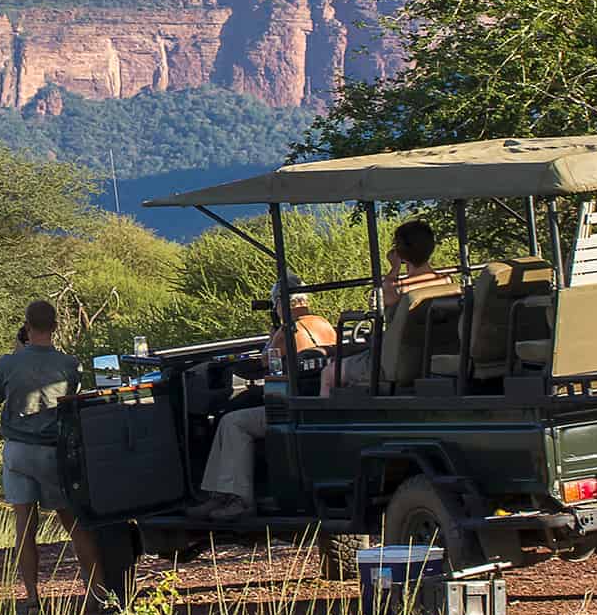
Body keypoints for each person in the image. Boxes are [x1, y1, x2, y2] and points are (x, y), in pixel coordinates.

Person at [185, 281, 336, 521]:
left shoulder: (289, 330)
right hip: (315, 402)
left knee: (232, 421)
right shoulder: (324, 324)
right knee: (233, 420)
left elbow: (264, 363)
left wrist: (271, 337)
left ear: (280, 303)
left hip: (292, 409)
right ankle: (220, 494)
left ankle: (238, 499)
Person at [0, 300, 103, 612]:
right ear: (55, 327)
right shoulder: (69, 364)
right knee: (74, 523)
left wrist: (17, 350)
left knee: (24, 526)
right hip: (53, 452)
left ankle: (32, 598)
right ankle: (95, 592)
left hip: (17, 450)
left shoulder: (7, 363)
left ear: (26, 327)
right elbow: (71, 398)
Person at [328, 219, 442, 392]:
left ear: (400, 251)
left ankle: (325, 417)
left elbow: (380, 300)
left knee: (328, 374)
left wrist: (394, 268)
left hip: (394, 359)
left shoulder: (396, 288)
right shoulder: (447, 282)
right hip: (433, 351)